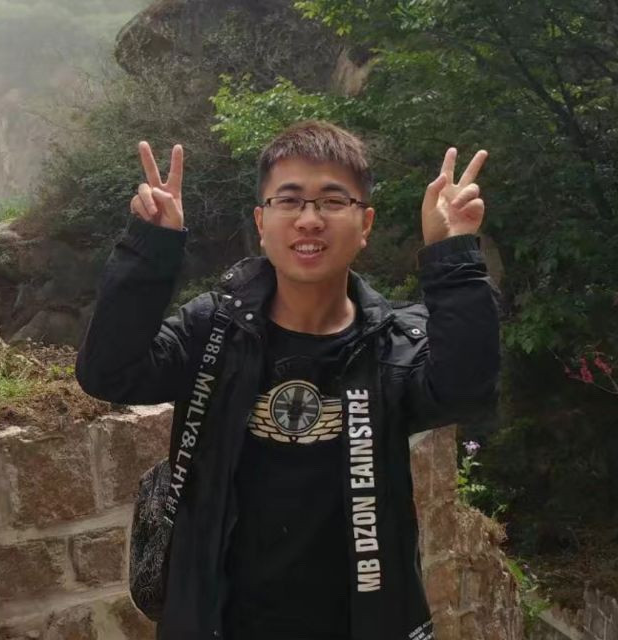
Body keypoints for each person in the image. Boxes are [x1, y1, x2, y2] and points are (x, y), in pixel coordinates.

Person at [76, 120, 500, 640]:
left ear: (365, 223)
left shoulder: (390, 346)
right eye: (289, 200)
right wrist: (151, 248)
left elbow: (467, 390)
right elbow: (109, 373)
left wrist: (452, 256)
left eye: (333, 201)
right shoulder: (214, 330)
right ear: (262, 220)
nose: (309, 219)